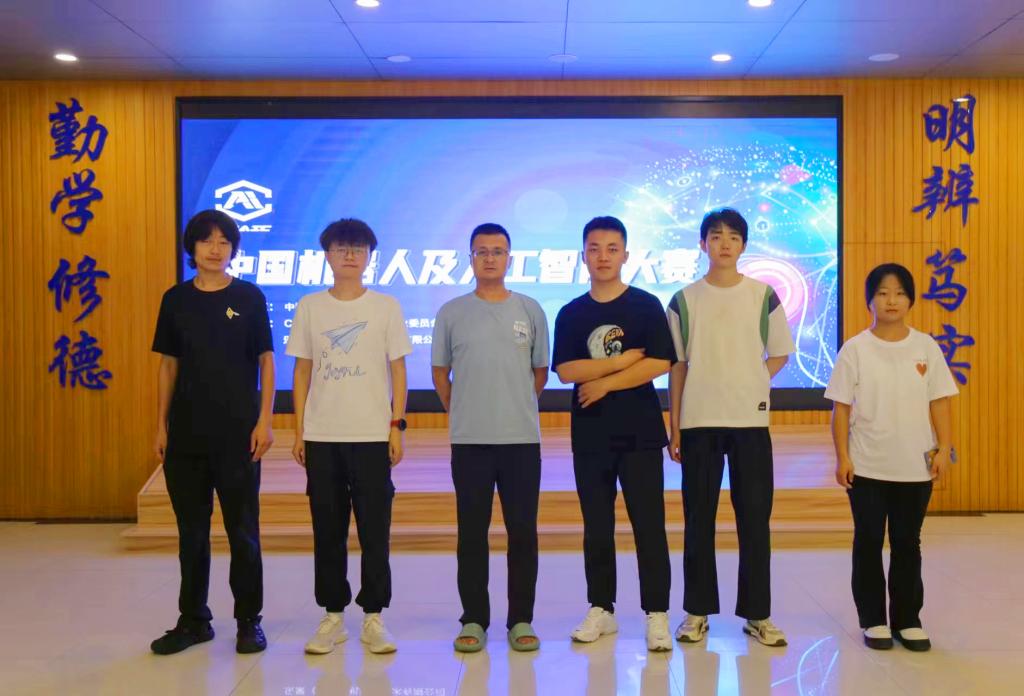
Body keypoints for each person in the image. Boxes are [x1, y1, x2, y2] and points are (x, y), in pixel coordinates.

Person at [667, 207, 794, 648]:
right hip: (699, 421)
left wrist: (753, 380)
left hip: (749, 422)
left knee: (754, 519)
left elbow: (779, 353)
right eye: (716, 236)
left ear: (743, 245)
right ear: (702, 244)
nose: (725, 243)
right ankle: (696, 611)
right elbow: (678, 366)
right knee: (698, 519)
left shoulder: (763, 296)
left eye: (734, 237)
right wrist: (675, 425)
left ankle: (758, 614)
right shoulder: (684, 300)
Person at [150, 209, 274, 655]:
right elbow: (168, 365)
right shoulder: (175, 300)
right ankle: (193, 621)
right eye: (207, 241)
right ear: (193, 248)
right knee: (192, 534)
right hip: (186, 436)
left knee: (243, 532)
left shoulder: (249, 297)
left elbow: (266, 361)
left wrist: (265, 420)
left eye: (224, 241)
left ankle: (248, 621)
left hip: (238, 435)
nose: (216, 249)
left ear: (234, 249)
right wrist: (160, 425)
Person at [287, 218, 412, 655]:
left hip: (372, 435)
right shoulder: (310, 307)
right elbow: (302, 370)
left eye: (358, 248)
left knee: (375, 529)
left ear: (369, 256)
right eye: (341, 248)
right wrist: (299, 429)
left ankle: (374, 616)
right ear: (327, 255)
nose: (350, 255)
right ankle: (333, 616)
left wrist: (396, 425)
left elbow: (399, 370)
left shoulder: (386, 307)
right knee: (328, 528)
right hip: (322, 435)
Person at [552, 215, 674, 652]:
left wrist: (604, 383)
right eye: (594, 248)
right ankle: (601, 608)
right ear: (583, 255)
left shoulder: (645, 305)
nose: (602, 256)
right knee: (597, 526)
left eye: (611, 248)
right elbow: (567, 370)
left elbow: (659, 361)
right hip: (591, 436)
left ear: (625, 255)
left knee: (649, 525)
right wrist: (621, 363)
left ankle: (656, 612)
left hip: (641, 434)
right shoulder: (571, 312)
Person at [825, 263, 957, 652]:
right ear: (869, 301)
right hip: (866, 464)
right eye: (882, 293)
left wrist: (944, 447)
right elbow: (841, 409)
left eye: (899, 292)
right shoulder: (855, 349)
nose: (891, 300)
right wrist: (842, 457)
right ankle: (873, 620)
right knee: (868, 541)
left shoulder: (926, 346)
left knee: (907, 542)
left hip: (914, 466)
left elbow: (940, 401)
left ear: (910, 299)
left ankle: (908, 620)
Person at [432, 223, 549, 653]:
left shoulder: (530, 309)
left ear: (509, 258)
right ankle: (474, 619)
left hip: (521, 441)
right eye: (481, 251)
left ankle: (521, 619)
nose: (489, 258)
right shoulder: (451, 312)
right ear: (470, 258)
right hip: (470, 442)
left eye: (497, 251)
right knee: (471, 533)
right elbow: (440, 374)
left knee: (523, 533)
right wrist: (466, 410)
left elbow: (539, 373)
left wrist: (513, 405)